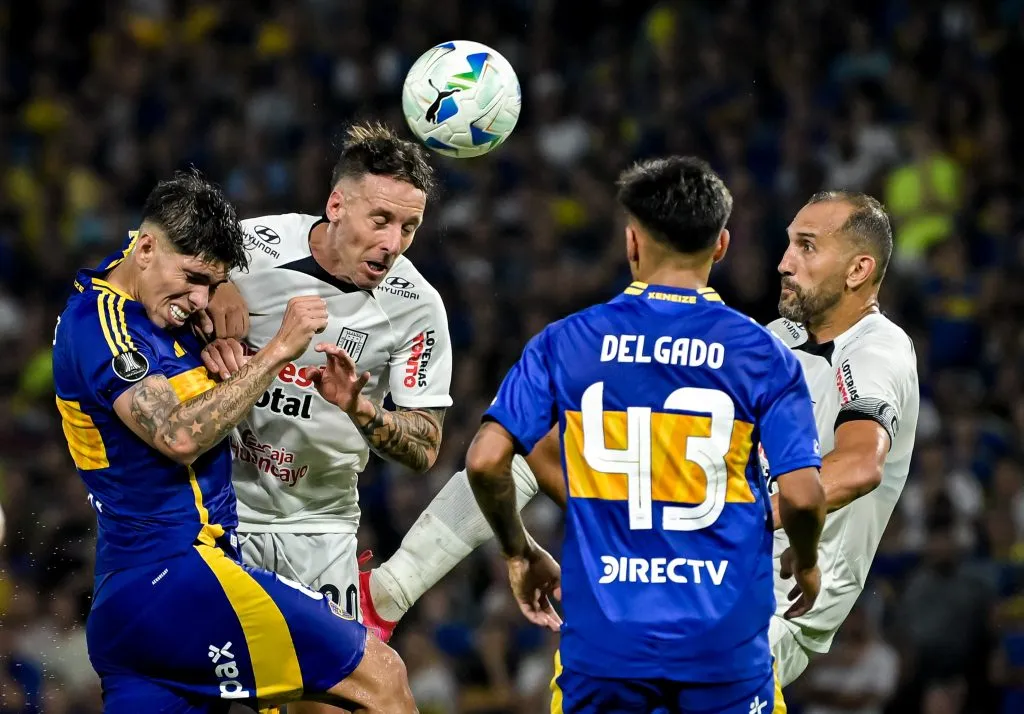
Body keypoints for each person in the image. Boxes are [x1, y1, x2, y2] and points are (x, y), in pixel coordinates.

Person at [363, 190, 919, 693]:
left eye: (806, 247)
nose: (784, 261)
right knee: (534, 445)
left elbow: (858, 465)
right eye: (788, 244)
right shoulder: (775, 341)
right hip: (680, 567)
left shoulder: (876, 349)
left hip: (758, 610)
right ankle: (387, 592)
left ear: (858, 270)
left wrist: (747, 520)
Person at [467, 156, 827, 713]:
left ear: (632, 244)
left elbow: (486, 460)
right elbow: (803, 496)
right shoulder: (765, 356)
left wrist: (519, 552)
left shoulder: (564, 342)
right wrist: (805, 561)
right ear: (722, 245)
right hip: (723, 650)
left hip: (605, 650)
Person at [52, 170, 416, 713]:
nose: (198, 299)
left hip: (134, 604)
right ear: (146, 248)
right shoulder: (102, 325)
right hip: (178, 573)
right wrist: (275, 354)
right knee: (382, 679)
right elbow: (178, 436)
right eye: (194, 278)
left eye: (211, 283)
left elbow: (186, 380)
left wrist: (224, 349)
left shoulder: (151, 298)